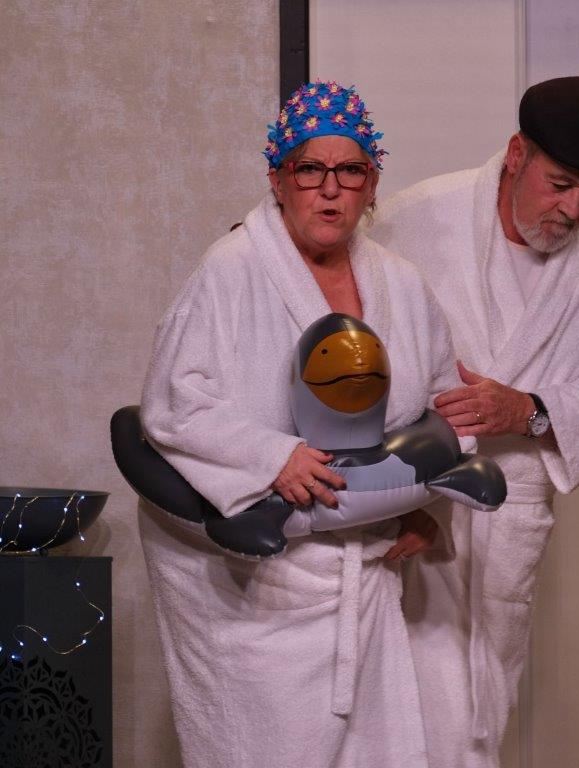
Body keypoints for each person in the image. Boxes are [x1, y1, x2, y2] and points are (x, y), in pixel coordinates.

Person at [138, 80, 466, 768]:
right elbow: (173, 403)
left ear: (372, 184)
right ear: (278, 179)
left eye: (351, 171)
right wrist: (270, 456)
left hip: (365, 572)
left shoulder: (401, 283)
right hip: (260, 585)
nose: (330, 189)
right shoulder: (231, 269)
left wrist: (419, 505)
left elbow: (442, 407)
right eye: (310, 169)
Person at [370, 76, 579, 767]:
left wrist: (527, 409)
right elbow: (356, 353)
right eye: (560, 185)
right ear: (516, 153)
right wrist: (384, 497)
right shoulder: (415, 219)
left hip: (509, 510)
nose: (573, 209)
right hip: (402, 498)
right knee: (389, 692)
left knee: (480, 705)